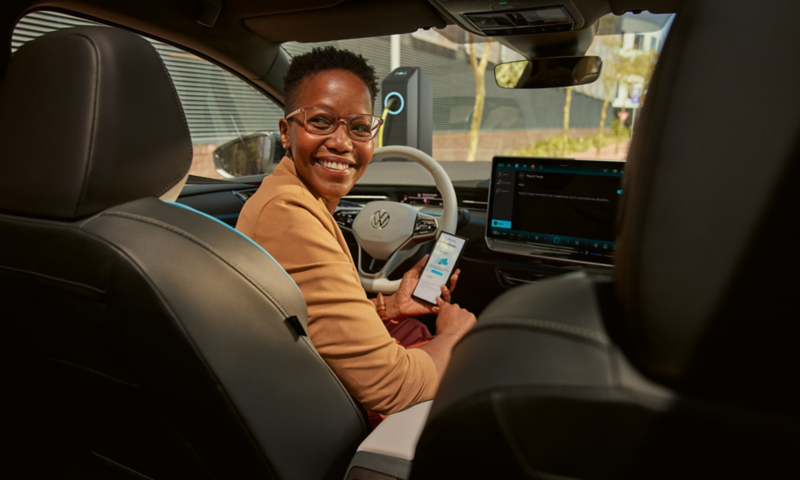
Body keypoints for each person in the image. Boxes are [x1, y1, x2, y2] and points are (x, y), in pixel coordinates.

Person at [237, 47, 476, 416]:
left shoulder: (294, 199)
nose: (343, 143)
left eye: (360, 127)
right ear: (286, 132)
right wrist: (455, 336)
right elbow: (394, 387)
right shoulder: (289, 214)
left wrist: (391, 306)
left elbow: (306, 321)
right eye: (320, 121)